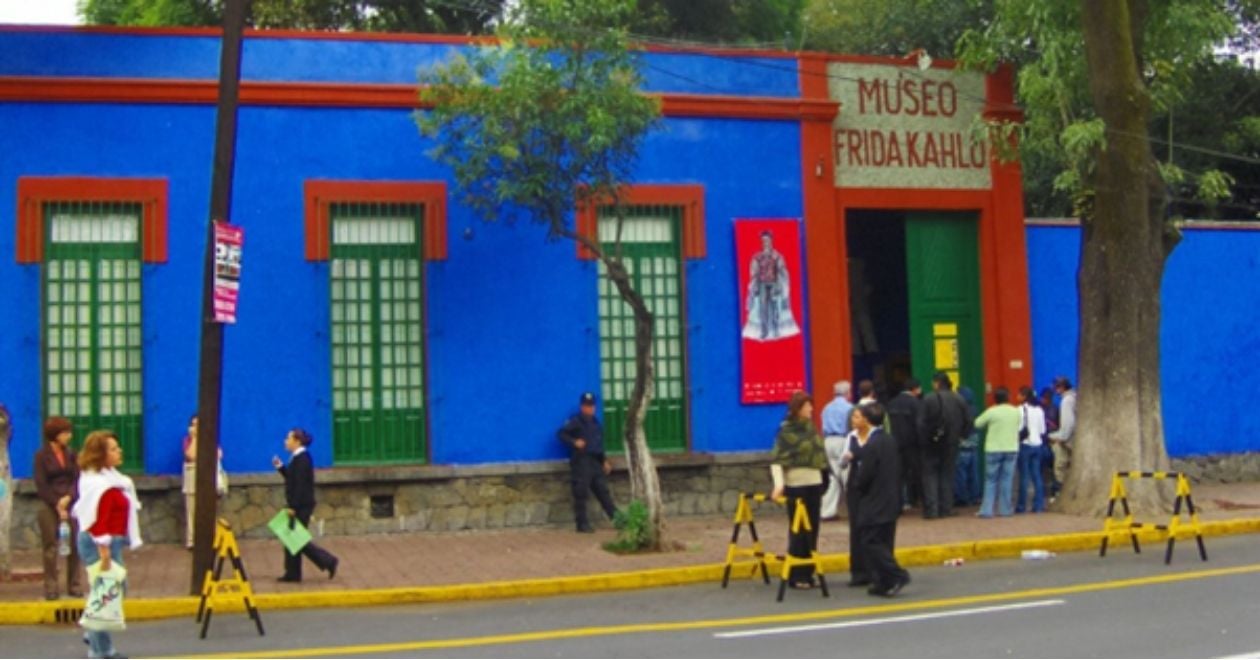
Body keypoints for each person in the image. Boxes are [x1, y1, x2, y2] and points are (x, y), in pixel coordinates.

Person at [72, 430, 142, 660]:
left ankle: (94, 637)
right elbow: (97, 519)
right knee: (108, 594)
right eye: (113, 449)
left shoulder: (112, 477)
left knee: (112, 592)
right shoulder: (98, 483)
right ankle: (100, 649)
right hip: (98, 542)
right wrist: (103, 552)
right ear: (100, 455)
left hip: (111, 541)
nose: (119, 451)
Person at [846, 402, 910, 597]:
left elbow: (865, 475)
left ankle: (895, 574)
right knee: (883, 540)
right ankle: (882, 581)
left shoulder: (873, 444)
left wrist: (857, 485)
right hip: (891, 497)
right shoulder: (889, 440)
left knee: (870, 540)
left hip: (875, 500)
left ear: (867, 419)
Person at [769, 391, 828, 590]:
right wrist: (779, 485)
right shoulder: (786, 432)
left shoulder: (811, 428)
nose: (811, 409)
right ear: (798, 409)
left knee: (813, 529)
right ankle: (796, 574)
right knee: (798, 531)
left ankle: (809, 572)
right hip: (796, 485)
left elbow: (820, 455)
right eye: (807, 406)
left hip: (814, 483)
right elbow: (777, 461)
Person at [271, 428, 338, 582]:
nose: (285, 441)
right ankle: (293, 573)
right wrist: (281, 468)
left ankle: (328, 561)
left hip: (301, 506)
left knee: (297, 539)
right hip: (299, 504)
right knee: (291, 538)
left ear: (297, 441)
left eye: (288, 438)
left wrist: (293, 507)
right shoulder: (297, 457)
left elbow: (300, 485)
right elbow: (292, 479)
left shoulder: (302, 459)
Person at [33, 417, 83, 600]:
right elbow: (41, 483)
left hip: (70, 502)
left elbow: (77, 478)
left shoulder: (71, 455)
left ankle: (74, 584)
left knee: (74, 545)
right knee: (50, 547)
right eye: (65, 433)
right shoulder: (41, 456)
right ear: (55, 435)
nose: (68, 436)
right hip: (49, 503)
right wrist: (56, 504)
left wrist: (69, 497)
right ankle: (51, 587)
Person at [557, 393, 619, 533]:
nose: (589, 409)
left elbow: (599, 446)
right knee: (581, 492)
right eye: (586, 406)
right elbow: (561, 434)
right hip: (581, 461)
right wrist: (574, 442)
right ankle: (582, 524)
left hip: (595, 461)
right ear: (582, 406)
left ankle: (616, 519)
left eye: (591, 406)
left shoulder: (596, 424)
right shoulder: (575, 421)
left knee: (603, 491)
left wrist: (604, 461)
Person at [917, 372, 971, 519]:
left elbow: (920, 423)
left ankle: (932, 510)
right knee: (947, 475)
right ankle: (946, 508)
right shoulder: (959, 399)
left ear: (936, 383)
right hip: (951, 443)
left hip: (930, 444)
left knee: (929, 475)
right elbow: (968, 421)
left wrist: (924, 440)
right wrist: (961, 436)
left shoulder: (929, 398)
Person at [742, 230, 800, 341]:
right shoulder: (757, 257)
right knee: (763, 308)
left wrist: (780, 285)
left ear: (771, 241)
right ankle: (764, 331)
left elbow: (782, 270)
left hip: (774, 284)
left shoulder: (777, 256)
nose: (766, 243)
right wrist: (755, 286)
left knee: (775, 308)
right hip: (762, 285)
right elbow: (754, 272)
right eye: (764, 241)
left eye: (767, 240)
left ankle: (776, 330)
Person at [974, 387, 1021, 518]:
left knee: (991, 480)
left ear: (995, 399)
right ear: (1008, 397)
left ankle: (987, 510)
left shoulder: (992, 411)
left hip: (993, 449)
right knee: (1007, 480)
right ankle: (1005, 510)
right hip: (1011, 448)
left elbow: (977, 423)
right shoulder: (1015, 411)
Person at [181, 415, 225, 550]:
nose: (196, 428)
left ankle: (210, 539)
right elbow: (191, 455)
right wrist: (194, 438)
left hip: (207, 479)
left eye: (198, 425)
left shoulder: (209, 439)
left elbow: (218, 454)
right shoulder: (187, 441)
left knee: (209, 510)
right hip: (192, 479)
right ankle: (192, 541)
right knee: (192, 511)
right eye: (193, 424)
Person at [841, 408, 868, 588]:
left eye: (857, 417)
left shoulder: (875, 438)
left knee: (870, 528)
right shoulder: (850, 437)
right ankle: (858, 571)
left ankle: (872, 569)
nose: (853, 420)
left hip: (871, 487)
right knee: (856, 528)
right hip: (854, 486)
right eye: (853, 417)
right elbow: (843, 463)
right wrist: (846, 458)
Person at [886, 379, 922, 511]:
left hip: (895, 443)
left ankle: (898, 504)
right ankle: (917, 500)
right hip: (912, 444)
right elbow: (919, 424)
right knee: (917, 473)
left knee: (898, 475)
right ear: (915, 389)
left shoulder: (892, 402)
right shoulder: (916, 403)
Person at [819, 381, 853, 520]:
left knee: (832, 476)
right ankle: (853, 509)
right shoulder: (849, 408)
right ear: (847, 393)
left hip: (828, 441)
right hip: (843, 440)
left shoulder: (826, 408)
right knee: (847, 475)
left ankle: (827, 511)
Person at [1015, 386, 1048, 514]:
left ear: (1024, 396)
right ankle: (1038, 505)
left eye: (1019, 395)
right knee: (1037, 475)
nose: (1017, 397)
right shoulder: (1039, 410)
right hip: (1038, 444)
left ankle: (1022, 506)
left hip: (1025, 444)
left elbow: (1018, 429)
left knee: (1024, 476)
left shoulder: (1019, 410)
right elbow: (1042, 430)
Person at [1047, 377, 1077, 500]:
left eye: (1056, 387)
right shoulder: (1076, 396)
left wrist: (1055, 437)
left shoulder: (1067, 401)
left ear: (1062, 387)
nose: (1055, 390)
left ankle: (1059, 493)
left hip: (1068, 440)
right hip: (1075, 438)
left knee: (1060, 465)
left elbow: (1068, 424)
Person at [954, 386, 982, 507]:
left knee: (960, 473)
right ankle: (975, 496)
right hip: (974, 444)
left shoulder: (959, 410)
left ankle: (962, 498)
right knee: (973, 473)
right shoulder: (975, 409)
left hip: (962, 445)